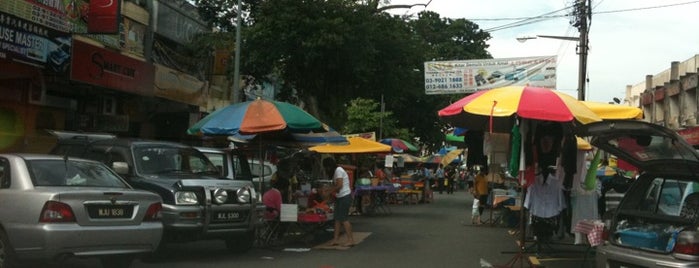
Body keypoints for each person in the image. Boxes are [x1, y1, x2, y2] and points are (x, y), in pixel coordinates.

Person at [323, 157, 355, 247]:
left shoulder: (338, 170)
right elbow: (336, 186)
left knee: (344, 218)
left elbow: (339, 185)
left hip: (344, 196)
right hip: (340, 197)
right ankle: (335, 239)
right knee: (337, 218)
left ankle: (350, 239)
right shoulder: (335, 172)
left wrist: (329, 191)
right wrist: (329, 189)